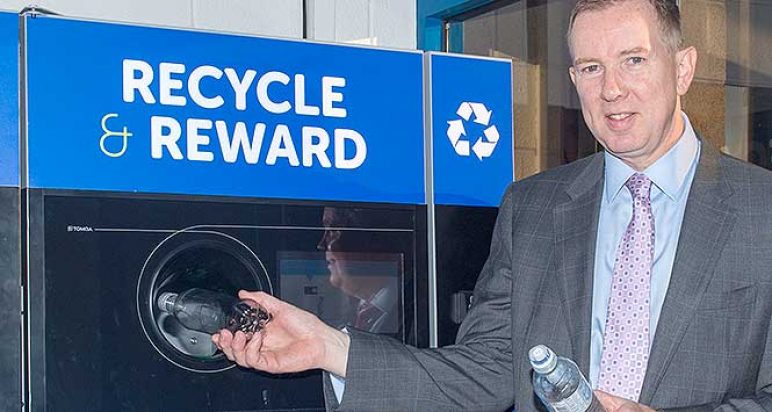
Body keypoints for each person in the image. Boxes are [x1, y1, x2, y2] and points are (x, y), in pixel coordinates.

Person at [212, 0, 772, 410]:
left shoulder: (762, 212)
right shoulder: (533, 208)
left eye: (633, 61)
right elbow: (485, 373)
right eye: (591, 68)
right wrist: (330, 348)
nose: (611, 90)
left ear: (682, 68)